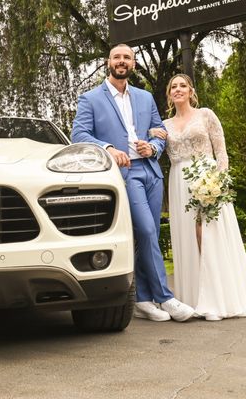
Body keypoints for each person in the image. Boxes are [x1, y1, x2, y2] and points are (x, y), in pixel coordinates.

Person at [72, 44, 195, 322]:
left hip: (151, 172)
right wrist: (107, 147)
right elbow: (78, 133)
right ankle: (166, 297)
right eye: (117, 57)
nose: (122, 61)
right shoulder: (90, 98)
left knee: (146, 236)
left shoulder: (145, 97)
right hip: (125, 175)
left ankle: (142, 299)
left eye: (127, 57)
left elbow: (160, 132)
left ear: (133, 64)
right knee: (149, 232)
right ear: (108, 62)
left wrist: (152, 147)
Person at [150, 73, 246, 321]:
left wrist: (218, 182)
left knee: (209, 234)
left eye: (182, 86)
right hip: (178, 181)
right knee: (188, 237)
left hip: (207, 177)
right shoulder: (164, 126)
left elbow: (221, 152)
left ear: (191, 91)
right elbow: (155, 149)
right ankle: (195, 300)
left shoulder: (205, 115)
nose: (178, 89)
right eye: (173, 86)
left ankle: (219, 300)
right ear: (169, 95)